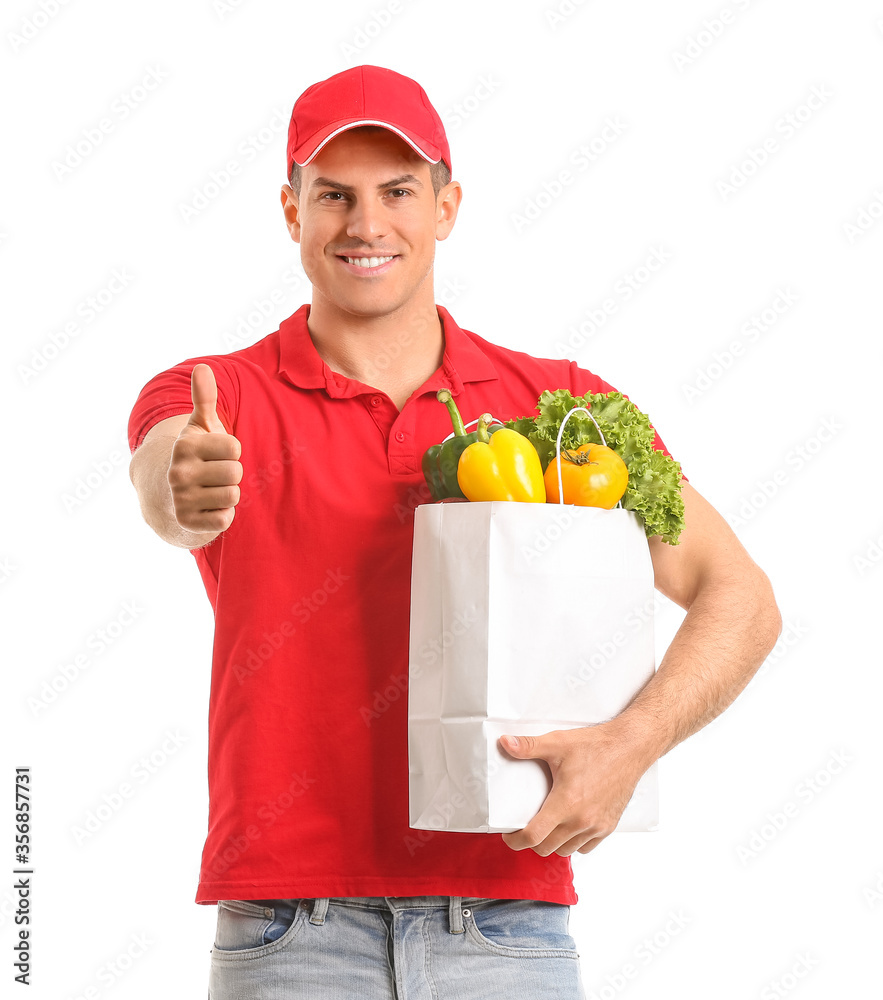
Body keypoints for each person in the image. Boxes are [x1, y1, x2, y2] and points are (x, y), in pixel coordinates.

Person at [127, 64, 781, 999]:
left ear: (446, 205)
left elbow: (740, 597)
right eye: (333, 197)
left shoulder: (561, 411)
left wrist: (631, 743)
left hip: (509, 923)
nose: (366, 225)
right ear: (290, 211)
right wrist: (181, 486)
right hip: (290, 931)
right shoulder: (216, 397)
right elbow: (161, 471)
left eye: (397, 192)